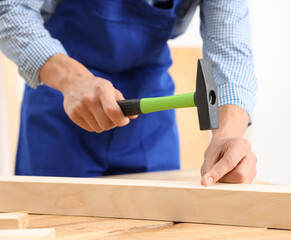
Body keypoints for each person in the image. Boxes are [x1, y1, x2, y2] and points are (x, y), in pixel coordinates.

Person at [0, 0, 257, 186]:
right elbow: (10, 9)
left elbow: (230, 49)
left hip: (150, 116)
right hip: (62, 103)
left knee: (159, 225)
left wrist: (227, 137)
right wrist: (72, 80)